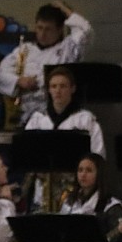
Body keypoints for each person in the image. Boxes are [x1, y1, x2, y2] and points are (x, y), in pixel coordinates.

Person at [23, 66, 105, 212]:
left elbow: (97, 157)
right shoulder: (37, 119)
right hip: (42, 192)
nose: (58, 90)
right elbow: (26, 154)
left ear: (72, 89)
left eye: (63, 86)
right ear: (48, 90)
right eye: (53, 86)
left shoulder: (85, 120)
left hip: (74, 192)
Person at [0, 2, 92, 125]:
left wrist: (64, 9)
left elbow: (85, 31)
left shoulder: (68, 49)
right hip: (26, 116)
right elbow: (0, 74)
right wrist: (18, 80)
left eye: (48, 29)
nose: (42, 34)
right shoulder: (24, 50)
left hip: (58, 116)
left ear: (59, 30)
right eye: (39, 28)